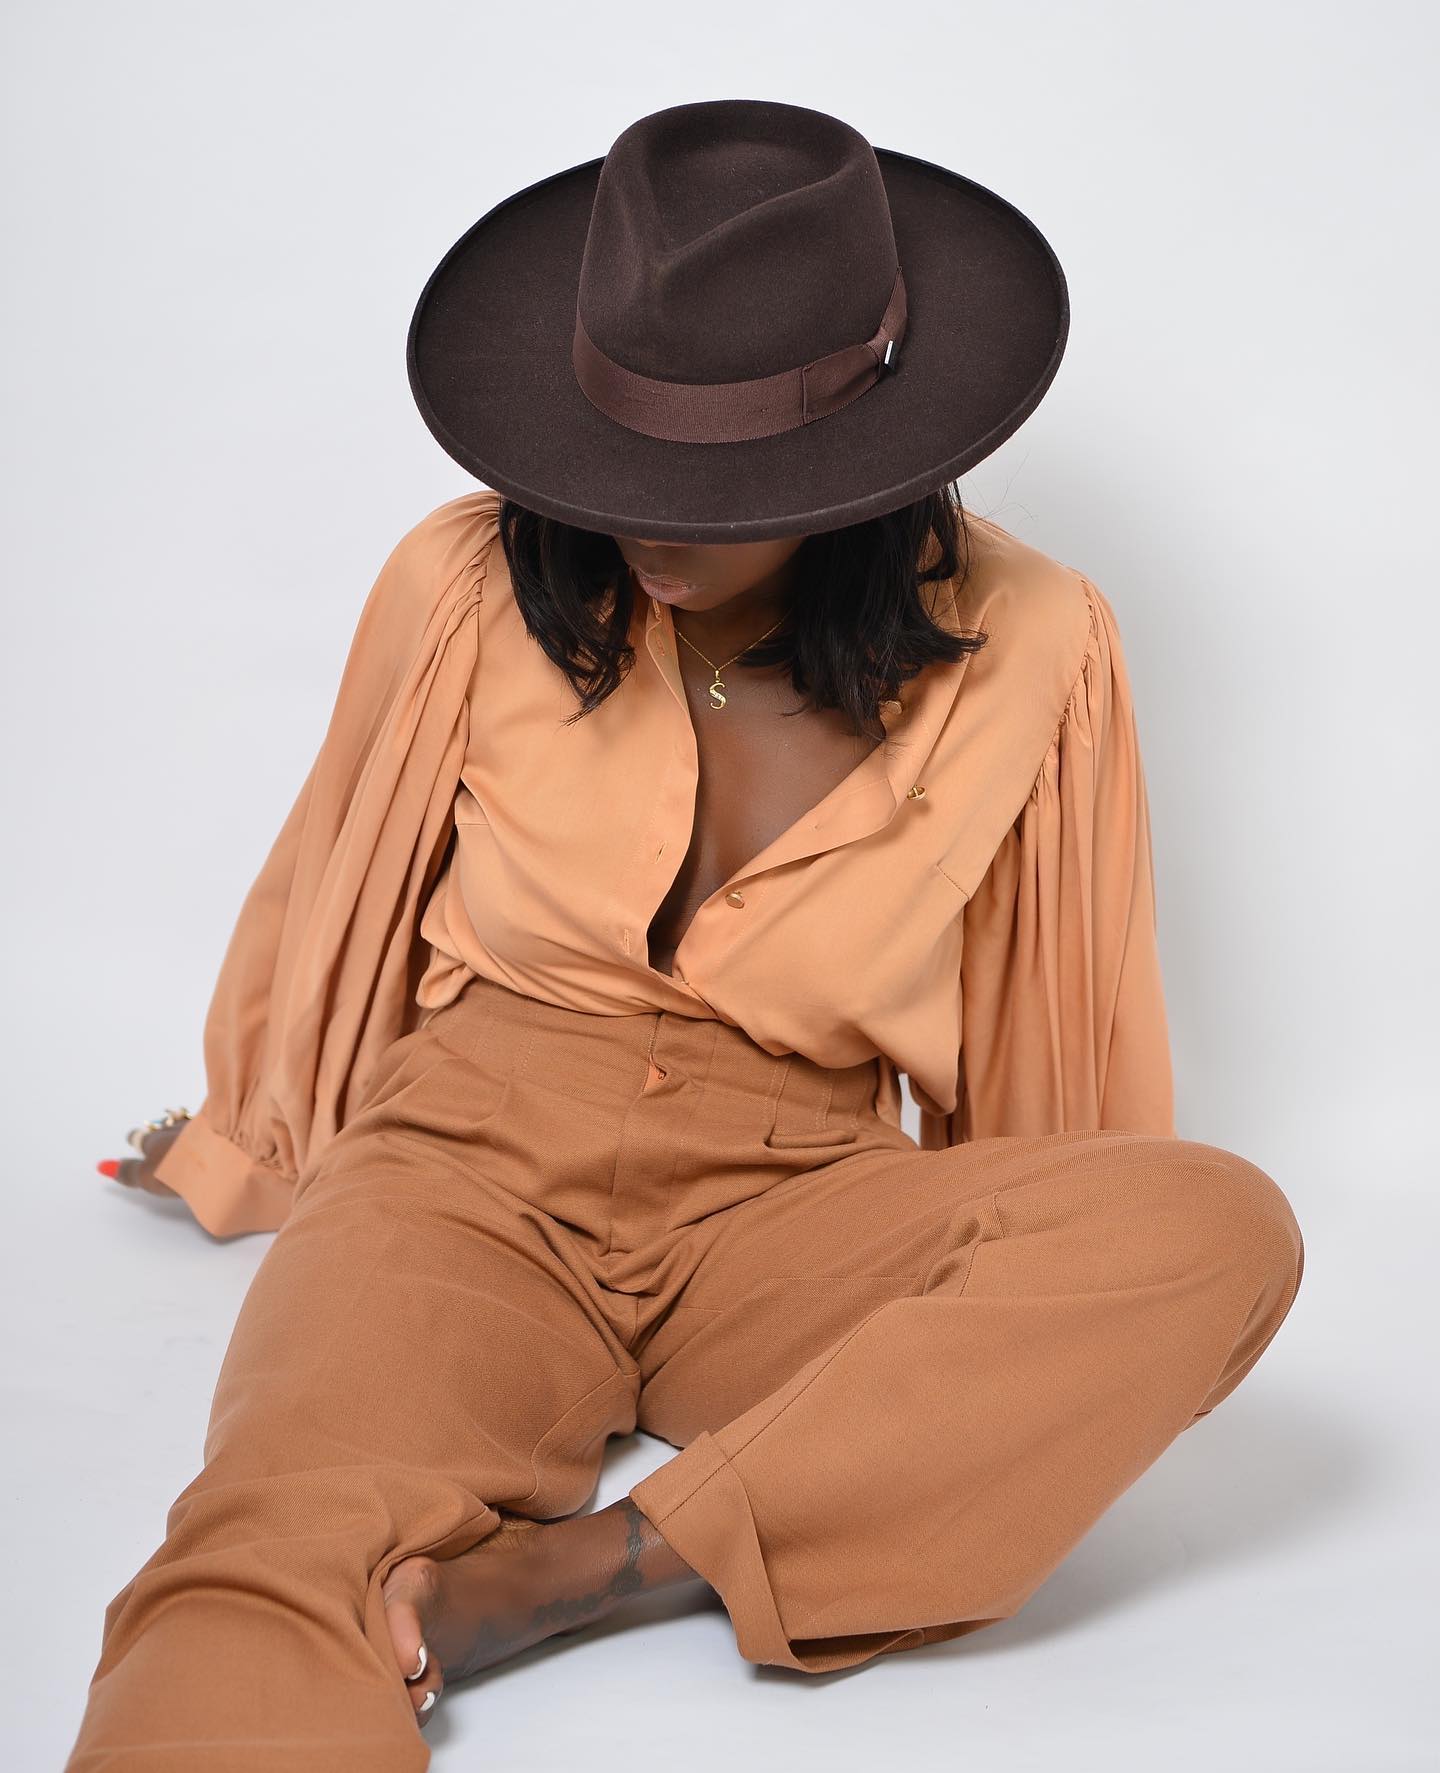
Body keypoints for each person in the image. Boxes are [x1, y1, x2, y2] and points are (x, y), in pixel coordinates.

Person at [68, 99, 1304, 1771]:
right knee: (275, 1542)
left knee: (1216, 1223)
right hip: (465, 1171)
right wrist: (247, 1135)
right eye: (620, 457)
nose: (644, 522)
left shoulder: (1040, 644)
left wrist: (1011, 1320)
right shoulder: (462, 586)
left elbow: (1052, 1051)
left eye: (715, 480)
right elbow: (338, 877)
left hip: (792, 1209)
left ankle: (587, 1575)